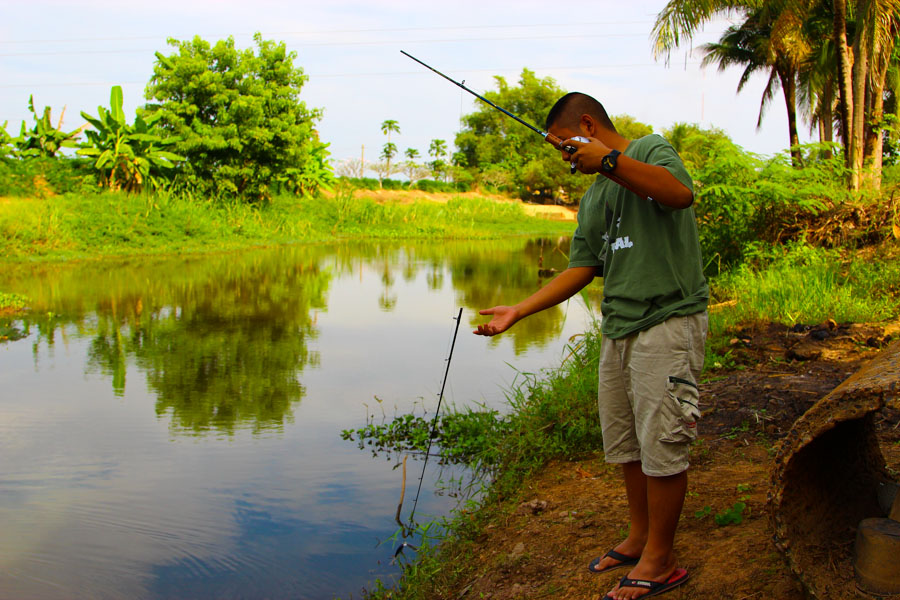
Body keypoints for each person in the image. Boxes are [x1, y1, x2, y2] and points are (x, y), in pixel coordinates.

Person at [473, 92, 708, 600]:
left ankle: (661, 560)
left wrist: (608, 159)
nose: (565, 157)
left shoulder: (650, 150)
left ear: (587, 125)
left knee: (663, 443)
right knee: (627, 445)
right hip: (619, 326)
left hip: (666, 321)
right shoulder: (596, 196)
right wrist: (519, 310)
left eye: (565, 145)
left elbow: (679, 194)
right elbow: (583, 267)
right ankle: (640, 537)